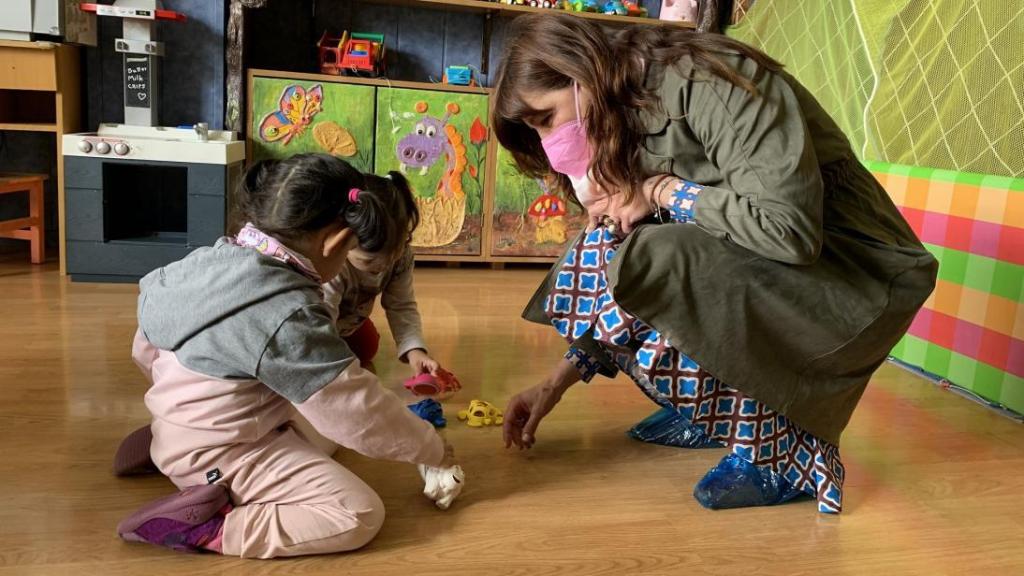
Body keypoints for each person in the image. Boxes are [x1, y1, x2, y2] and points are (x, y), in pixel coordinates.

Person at [492, 13, 937, 514]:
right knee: (601, 246)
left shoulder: (711, 79)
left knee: (657, 255)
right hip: (779, 259)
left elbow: (787, 231)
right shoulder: (627, 106)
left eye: (545, 117)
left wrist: (662, 191)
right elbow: (623, 258)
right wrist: (556, 382)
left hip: (859, 270)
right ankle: (714, 415)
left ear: (577, 74)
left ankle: (782, 456)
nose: (552, 143)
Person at [117, 154, 456, 558]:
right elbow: (354, 409)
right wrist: (431, 448)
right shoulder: (286, 312)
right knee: (358, 513)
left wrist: (179, 412)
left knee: (327, 433)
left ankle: (172, 443)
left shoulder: (200, 264)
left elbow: (146, 350)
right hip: (227, 449)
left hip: (189, 423)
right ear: (335, 241)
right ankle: (212, 525)